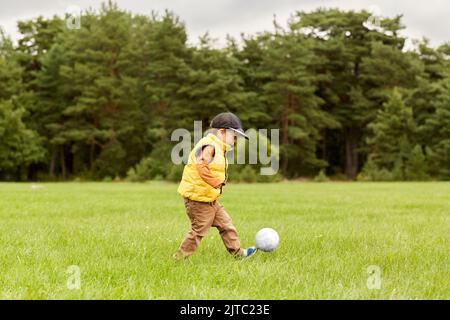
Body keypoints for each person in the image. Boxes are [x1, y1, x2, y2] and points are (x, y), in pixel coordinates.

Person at [174, 112, 257, 259]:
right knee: (199, 231)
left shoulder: (219, 148)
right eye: (234, 135)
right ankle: (179, 258)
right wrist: (215, 183)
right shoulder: (210, 146)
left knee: (226, 225)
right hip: (198, 200)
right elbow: (201, 166)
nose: (235, 140)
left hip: (210, 199)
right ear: (222, 132)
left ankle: (238, 254)